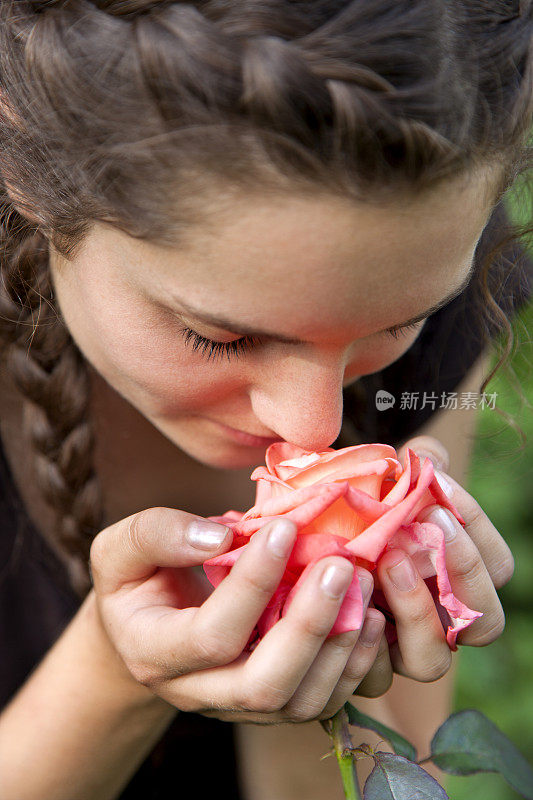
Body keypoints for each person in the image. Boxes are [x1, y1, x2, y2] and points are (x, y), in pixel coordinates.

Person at [0, 1, 530, 798]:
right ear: (27, 178)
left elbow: (372, 770)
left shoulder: (414, 250)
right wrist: (112, 675)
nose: (313, 425)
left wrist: (336, 686)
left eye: (402, 324)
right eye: (221, 337)